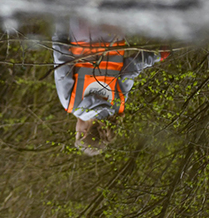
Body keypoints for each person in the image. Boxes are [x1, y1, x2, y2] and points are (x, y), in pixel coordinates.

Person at [52, 19, 166, 155]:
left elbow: (132, 68)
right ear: (84, 132)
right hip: (83, 35)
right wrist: (59, 28)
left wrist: (157, 55)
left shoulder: (117, 106)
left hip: (115, 37)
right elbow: (61, 61)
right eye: (76, 133)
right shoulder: (71, 104)